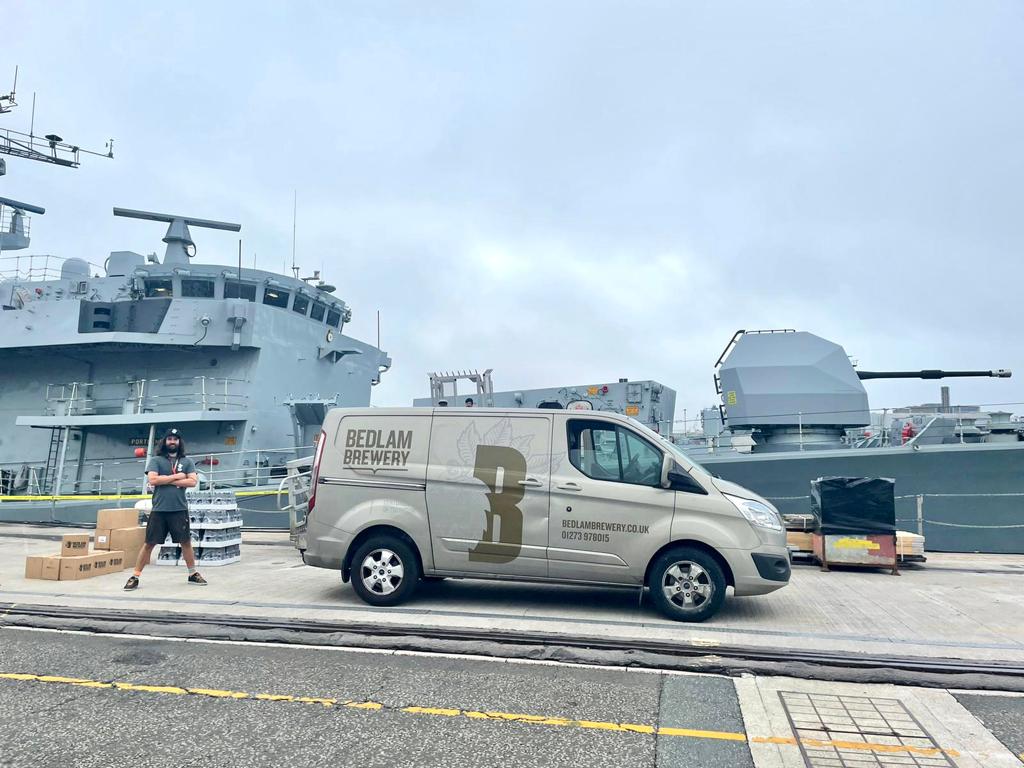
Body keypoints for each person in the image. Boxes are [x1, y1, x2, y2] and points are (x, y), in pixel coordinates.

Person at [124, 428, 207, 589]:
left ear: (179, 442)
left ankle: (192, 573)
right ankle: (135, 575)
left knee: (186, 542)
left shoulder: (187, 461)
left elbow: (192, 482)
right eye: (169, 439)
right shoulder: (156, 460)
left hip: (179, 509)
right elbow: (153, 480)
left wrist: (166, 479)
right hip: (159, 510)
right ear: (165, 441)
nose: (172, 442)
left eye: (175, 439)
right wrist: (177, 477)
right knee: (149, 544)